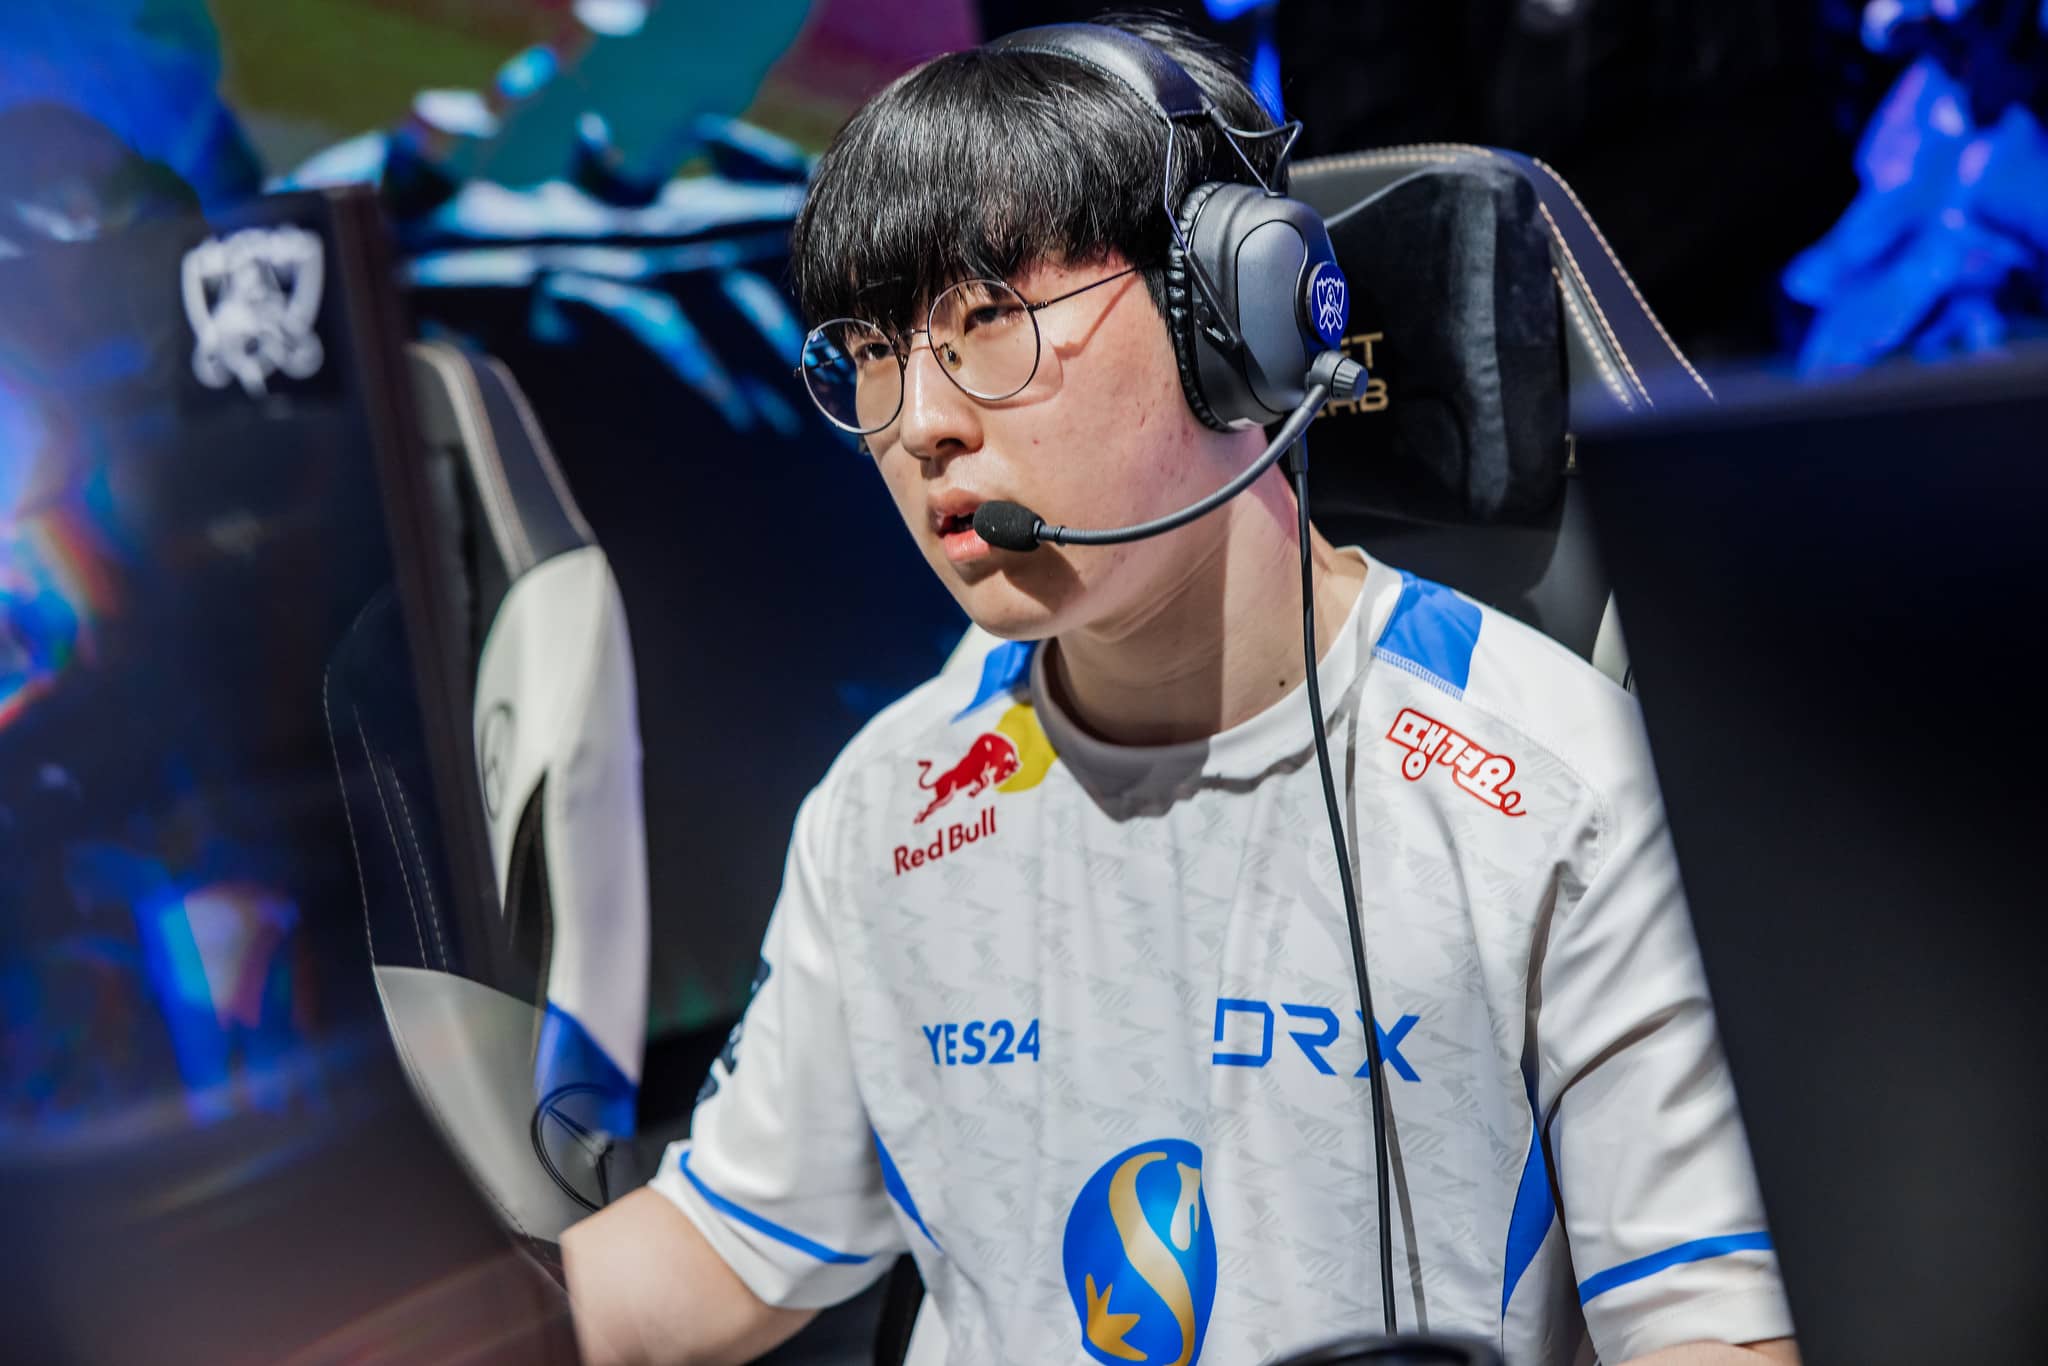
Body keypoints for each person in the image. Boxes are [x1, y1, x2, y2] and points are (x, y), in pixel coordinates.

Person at [562, 14, 1799, 1365]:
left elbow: (1711, 1333)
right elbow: (714, 1260)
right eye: (872, 350)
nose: (920, 423)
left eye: (988, 320)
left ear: (1235, 319)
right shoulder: (892, 802)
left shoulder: (1562, 794)